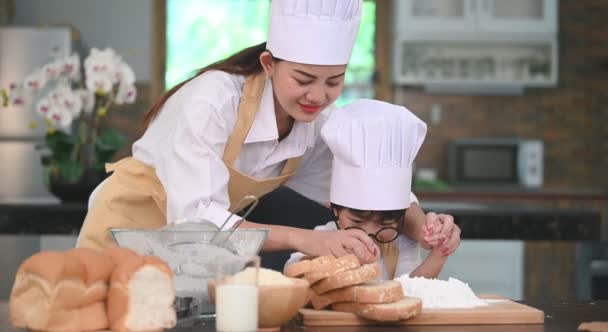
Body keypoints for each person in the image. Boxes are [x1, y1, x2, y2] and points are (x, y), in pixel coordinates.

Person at [77, 0, 458, 270]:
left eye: (334, 81)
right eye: (303, 79)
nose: (318, 97)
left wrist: (427, 229)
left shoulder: (317, 124)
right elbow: (195, 220)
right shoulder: (212, 101)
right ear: (269, 64)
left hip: (193, 264)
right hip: (125, 235)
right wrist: (304, 239)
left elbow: (373, 188)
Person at [285, 99, 461, 279]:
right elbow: (294, 271)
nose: (369, 232)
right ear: (334, 209)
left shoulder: (400, 243)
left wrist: (439, 253)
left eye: (385, 223)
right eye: (357, 221)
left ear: (402, 216)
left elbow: (411, 288)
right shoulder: (327, 236)